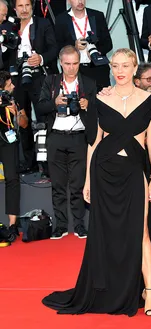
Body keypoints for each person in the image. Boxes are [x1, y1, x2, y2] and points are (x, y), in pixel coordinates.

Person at [42, 48, 151, 317]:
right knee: (105, 232)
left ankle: (149, 292)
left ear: (135, 68)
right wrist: (87, 180)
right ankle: (106, 287)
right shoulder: (100, 99)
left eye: (125, 65)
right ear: (110, 68)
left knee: (141, 231)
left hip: (134, 171)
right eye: (115, 66)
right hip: (103, 171)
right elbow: (93, 142)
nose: (120, 71)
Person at [37, 45, 96, 240]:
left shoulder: (88, 83)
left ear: (80, 63)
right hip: (56, 136)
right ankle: (60, 226)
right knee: (58, 185)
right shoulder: (50, 81)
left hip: (79, 137)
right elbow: (40, 107)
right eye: (67, 64)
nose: (71, 68)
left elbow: (99, 110)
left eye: (75, 64)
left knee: (78, 184)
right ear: (60, 63)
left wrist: (88, 105)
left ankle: (80, 225)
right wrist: (55, 103)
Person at [11, 0, 58, 173]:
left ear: (32, 7)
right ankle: (29, 163)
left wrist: (41, 58)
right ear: (15, 9)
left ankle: (47, 165)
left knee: (44, 120)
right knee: (23, 120)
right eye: (20, 6)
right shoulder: (9, 26)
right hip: (16, 80)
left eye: (27, 6)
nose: (24, 10)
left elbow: (54, 49)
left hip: (39, 78)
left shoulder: (43, 23)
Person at [54, 0, 113, 93]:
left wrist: (98, 52)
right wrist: (74, 46)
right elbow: (58, 48)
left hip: (98, 69)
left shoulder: (97, 16)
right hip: (76, 71)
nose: (80, 1)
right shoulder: (61, 19)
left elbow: (108, 44)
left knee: (103, 103)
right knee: (79, 104)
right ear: (69, 1)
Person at [0, 70, 27, 241]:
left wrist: (16, 113)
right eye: (10, 84)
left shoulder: (13, 100)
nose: (14, 86)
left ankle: (12, 224)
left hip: (8, 141)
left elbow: (24, 124)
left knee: (12, 178)